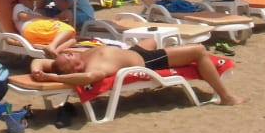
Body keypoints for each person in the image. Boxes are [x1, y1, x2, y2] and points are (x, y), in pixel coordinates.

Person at [29, 38, 243, 106]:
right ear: (73, 69)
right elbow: (88, 78)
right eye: (68, 57)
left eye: (67, 54)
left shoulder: (81, 56)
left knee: (151, 39)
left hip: (133, 51)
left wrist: (38, 71)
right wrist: (52, 77)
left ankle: (176, 53)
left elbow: (39, 61)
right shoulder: (94, 67)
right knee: (199, 51)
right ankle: (225, 96)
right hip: (146, 61)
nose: (69, 53)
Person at [11, 0, 76, 57]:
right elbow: (22, 16)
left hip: (35, 33)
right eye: (29, 0)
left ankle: (54, 52)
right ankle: (52, 46)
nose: (32, 3)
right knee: (68, 30)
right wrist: (47, 18)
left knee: (72, 40)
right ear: (20, 0)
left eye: (33, 0)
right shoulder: (19, 6)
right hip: (31, 28)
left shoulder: (33, 11)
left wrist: (55, 18)